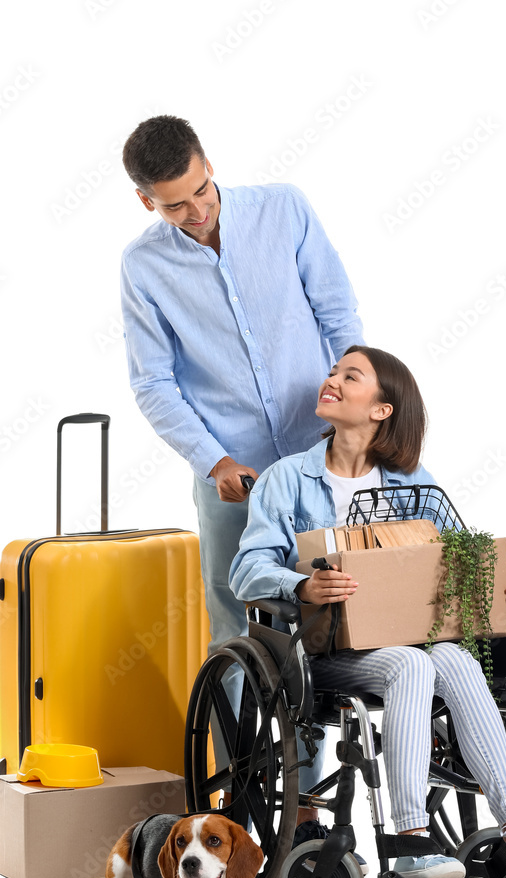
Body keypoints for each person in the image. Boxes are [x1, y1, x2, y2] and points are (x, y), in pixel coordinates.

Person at [229, 345, 506, 878]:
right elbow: (245, 571)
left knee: (454, 657)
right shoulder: (286, 480)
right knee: (412, 664)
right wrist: (304, 585)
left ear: (381, 410)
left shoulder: (412, 480)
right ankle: (409, 836)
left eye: (350, 376)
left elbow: (456, 556)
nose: (331, 380)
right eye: (334, 371)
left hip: (412, 645)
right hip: (322, 654)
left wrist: (501, 579)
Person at [119, 115, 364, 658]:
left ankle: (322, 741)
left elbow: (337, 312)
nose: (198, 212)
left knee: (343, 606)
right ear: (146, 202)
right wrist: (215, 461)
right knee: (235, 622)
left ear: (209, 166)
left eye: (201, 190)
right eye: (175, 206)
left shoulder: (283, 209)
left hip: (320, 454)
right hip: (233, 475)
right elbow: (153, 382)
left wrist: (356, 405)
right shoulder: (143, 266)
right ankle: (239, 747)